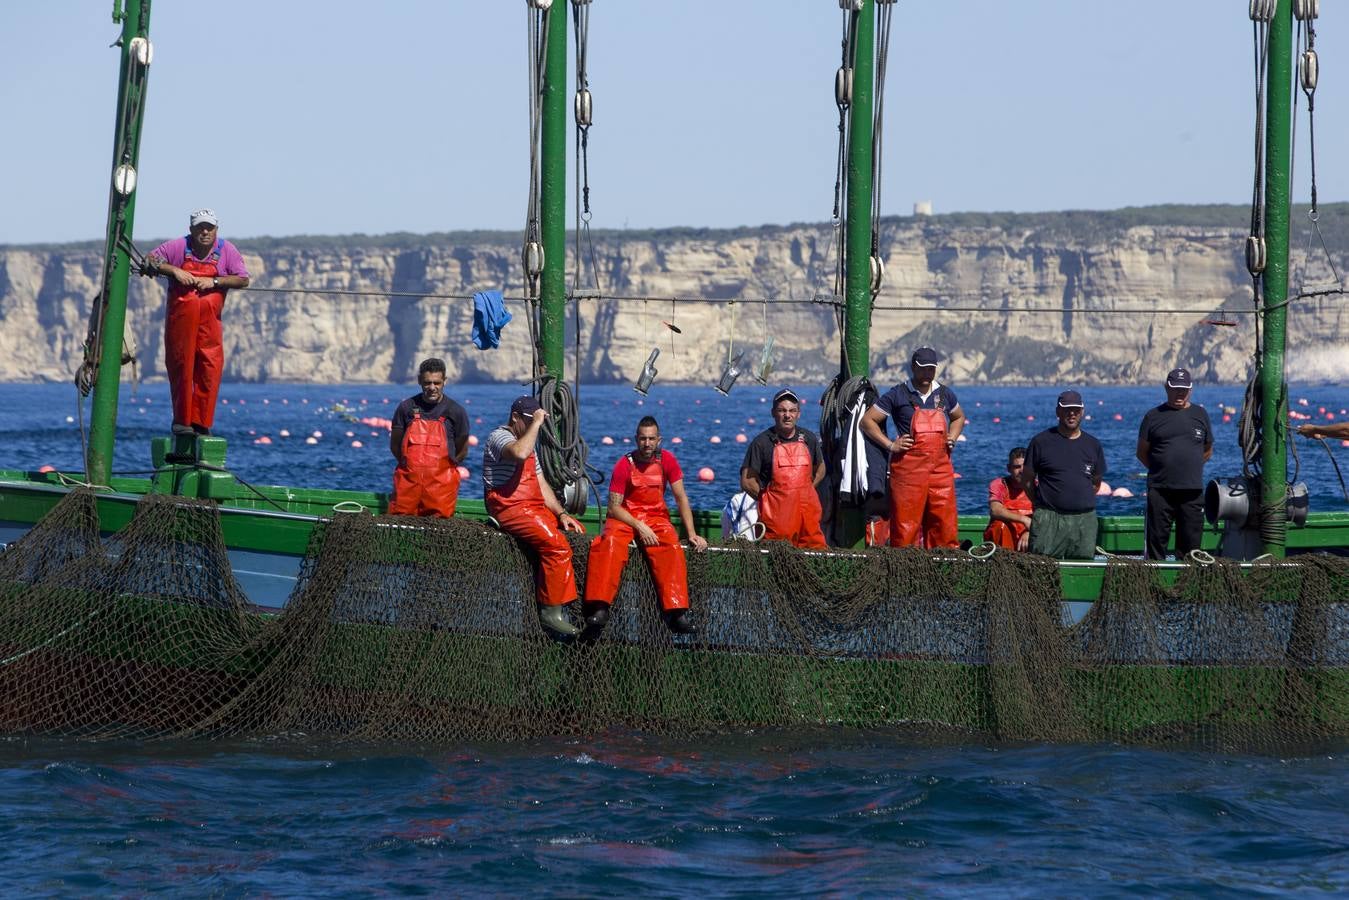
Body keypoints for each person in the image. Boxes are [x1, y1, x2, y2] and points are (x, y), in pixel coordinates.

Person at [583, 416, 708, 635]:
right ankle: (600, 606)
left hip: (656, 518)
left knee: (671, 544)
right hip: (625, 518)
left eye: (651, 439)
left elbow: (681, 498)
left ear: (659, 440)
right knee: (609, 543)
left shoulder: (668, 460)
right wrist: (639, 526)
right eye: (642, 439)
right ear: (636, 439)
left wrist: (692, 533)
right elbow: (613, 508)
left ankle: (677, 611)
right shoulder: (624, 464)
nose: (647, 444)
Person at [483, 395, 585, 637]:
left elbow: (540, 484)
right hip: (509, 506)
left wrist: (561, 514)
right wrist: (538, 423)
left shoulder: (529, 444)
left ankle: (565, 601)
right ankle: (550, 613)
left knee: (571, 535)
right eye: (528, 421)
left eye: (534, 422)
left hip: (531, 506)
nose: (532, 426)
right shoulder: (500, 437)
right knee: (557, 546)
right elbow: (519, 453)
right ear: (515, 417)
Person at [146, 208, 250, 436]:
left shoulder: (227, 250)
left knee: (210, 367)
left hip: (210, 322)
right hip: (180, 319)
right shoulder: (177, 247)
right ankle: (182, 421)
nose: (205, 231)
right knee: (181, 364)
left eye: (209, 227)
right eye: (200, 227)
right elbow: (150, 260)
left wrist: (214, 282)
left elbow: (243, 279)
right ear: (191, 229)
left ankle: (202, 422)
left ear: (216, 230)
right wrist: (175, 271)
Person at [860, 347, 965, 548]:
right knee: (905, 525)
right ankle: (905, 568)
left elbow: (959, 417)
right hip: (908, 470)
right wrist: (891, 445)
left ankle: (945, 564)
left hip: (940, 469)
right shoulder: (897, 394)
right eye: (923, 368)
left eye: (931, 369)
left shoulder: (944, 394)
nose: (927, 373)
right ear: (913, 368)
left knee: (944, 522)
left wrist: (952, 436)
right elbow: (867, 422)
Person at [1136, 367, 1214, 560]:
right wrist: (1162, 470)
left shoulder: (1201, 414)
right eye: (1175, 388)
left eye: (1184, 388)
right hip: (1160, 491)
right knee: (1156, 545)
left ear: (1191, 390)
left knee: (1190, 548)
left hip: (1192, 492)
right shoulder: (1152, 416)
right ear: (1166, 388)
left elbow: (1207, 449)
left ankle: (1186, 587)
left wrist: (1189, 468)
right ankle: (1154, 586)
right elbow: (1141, 453)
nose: (1180, 392)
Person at [1021, 390, 1107, 559]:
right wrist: (1041, 504)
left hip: (1084, 522)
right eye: (1067, 409)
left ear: (1082, 412)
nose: (1072, 413)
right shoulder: (1040, 442)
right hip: (1048, 520)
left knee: (1081, 571)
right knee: (1041, 570)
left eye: (1076, 409)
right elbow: (1027, 480)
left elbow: (1095, 483)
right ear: (1058, 412)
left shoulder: (1093, 445)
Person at [739, 388, 827, 548]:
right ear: (773, 413)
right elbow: (747, 481)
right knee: (777, 558)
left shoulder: (809, 439)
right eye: (782, 410)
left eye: (792, 410)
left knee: (814, 552)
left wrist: (808, 491)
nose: (787, 415)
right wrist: (768, 500)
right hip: (777, 519)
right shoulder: (761, 442)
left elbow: (820, 469)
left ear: (798, 414)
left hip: (808, 518)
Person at [387, 358, 469, 517]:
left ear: (445, 381)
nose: (432, 387)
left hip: (440, 488)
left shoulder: (456, 411)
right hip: (407, 486)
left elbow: (462, 450)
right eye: (427, 383)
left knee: (438, 530)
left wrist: (444, 471)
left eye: (437, 383)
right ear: (419, 381)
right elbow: (395, 445)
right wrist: (409, 467)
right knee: (399, 523)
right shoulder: (406, 408)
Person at [985, 447, 1034, 551]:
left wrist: (1030, 531)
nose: (1021, 471)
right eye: (1017, 467)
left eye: (1024, 467)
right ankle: (1001, 562)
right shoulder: (1000, 484)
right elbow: (995, 510)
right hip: (1003, 542)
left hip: (1028, 539)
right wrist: (1024, 520)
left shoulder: (1039, 487)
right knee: (999, 525)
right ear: (1009, 468)